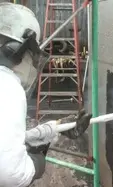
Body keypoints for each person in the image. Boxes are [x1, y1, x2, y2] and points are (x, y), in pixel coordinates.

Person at [0, 3, 91, 187]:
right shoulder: (7, 84)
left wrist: (54, 129)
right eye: (30, 54)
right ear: (15, 50)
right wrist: (36, 165)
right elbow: (9, 173)